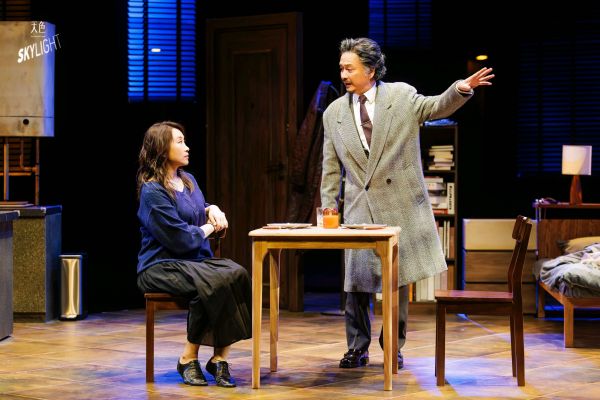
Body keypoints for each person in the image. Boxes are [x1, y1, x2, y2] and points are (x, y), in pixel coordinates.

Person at [320, 38, 494, 369]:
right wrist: (329, 204)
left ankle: (393, 346)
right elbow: (330, 166)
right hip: (359, 207)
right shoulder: (334, 113)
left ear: (370, 70)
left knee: (395, 282)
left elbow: (435, 106)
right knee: (355, 283)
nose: (343, 75)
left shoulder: (400, 97)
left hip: (397, 204)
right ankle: (357, 346)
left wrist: (461, 88)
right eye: (341, 68)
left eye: (350, 68)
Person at [136, 121, 251, 388]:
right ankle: (188, 358)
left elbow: (194, 209)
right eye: (179, 142)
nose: (187, 147)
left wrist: (211, 208)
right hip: (160, 265)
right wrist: (210, 226)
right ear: (162, 148)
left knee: (237, 274)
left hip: (194, 263)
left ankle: (220, 358)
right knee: (211, 282)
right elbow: (181, 239)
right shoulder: (152, 191)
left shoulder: (188, 180)